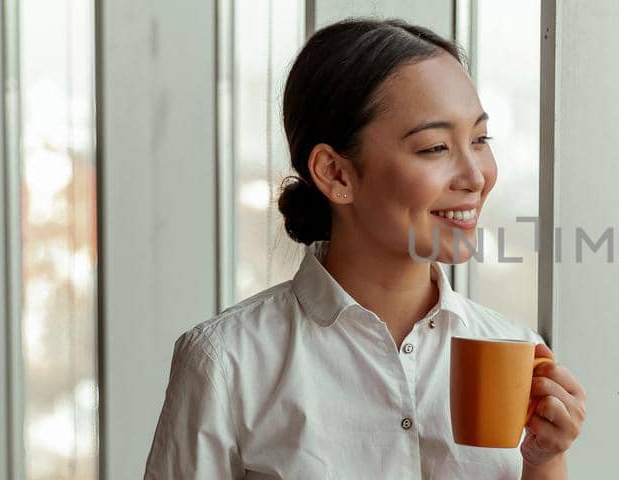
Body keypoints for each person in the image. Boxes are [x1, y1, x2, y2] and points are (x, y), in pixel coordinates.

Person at [143, 18, 586, 479]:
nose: (476, 176)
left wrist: (544, 457)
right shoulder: (227, 363)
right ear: (336, 174)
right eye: (435, 147)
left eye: (479, 140)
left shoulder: (518, 352)